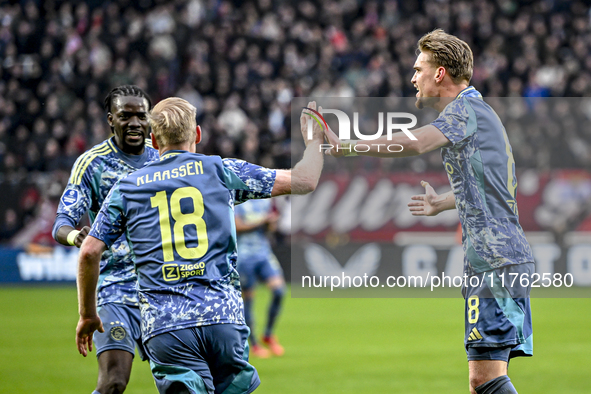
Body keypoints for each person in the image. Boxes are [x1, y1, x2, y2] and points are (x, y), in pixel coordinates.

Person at [323, 29, 534, 394]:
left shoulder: (465, 109)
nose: (413, 78)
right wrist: (444, 201)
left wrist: (349, 146)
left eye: (419, 69)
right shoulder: (479, 113)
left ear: (440, 74)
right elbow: (495, 188)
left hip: (495, 260)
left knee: (486, 380)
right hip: (496, 256)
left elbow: (418, 141)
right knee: (483, 379)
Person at [75, 98, 325, 394]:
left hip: (167, 326)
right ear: (197, 133)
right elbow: (306, 180)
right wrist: (314, 143)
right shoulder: (220, 170)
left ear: (153, 140)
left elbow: (89, 252)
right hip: (223, 319)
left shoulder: (128, 187)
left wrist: (88, 314)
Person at [53, 85, 159, 394]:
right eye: (126, 116)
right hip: (115, 288)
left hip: (163, 287)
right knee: (114, 382)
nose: (135, 123)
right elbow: (62, 222)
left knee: (183, 384)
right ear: (111, 119)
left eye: (141, 115)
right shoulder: (92, 164)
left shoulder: (163, 159)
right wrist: (76, 236)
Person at [234, 198, 286, 358]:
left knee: (279, 291)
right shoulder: (237, 200)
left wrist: (272, 222)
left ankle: (268, 334)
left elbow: (270, 228)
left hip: (263, 253)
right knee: (248, 300)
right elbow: (236, 226)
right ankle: (254, 344)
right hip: (243, 256)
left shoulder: (266, 200)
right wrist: (261, 221)